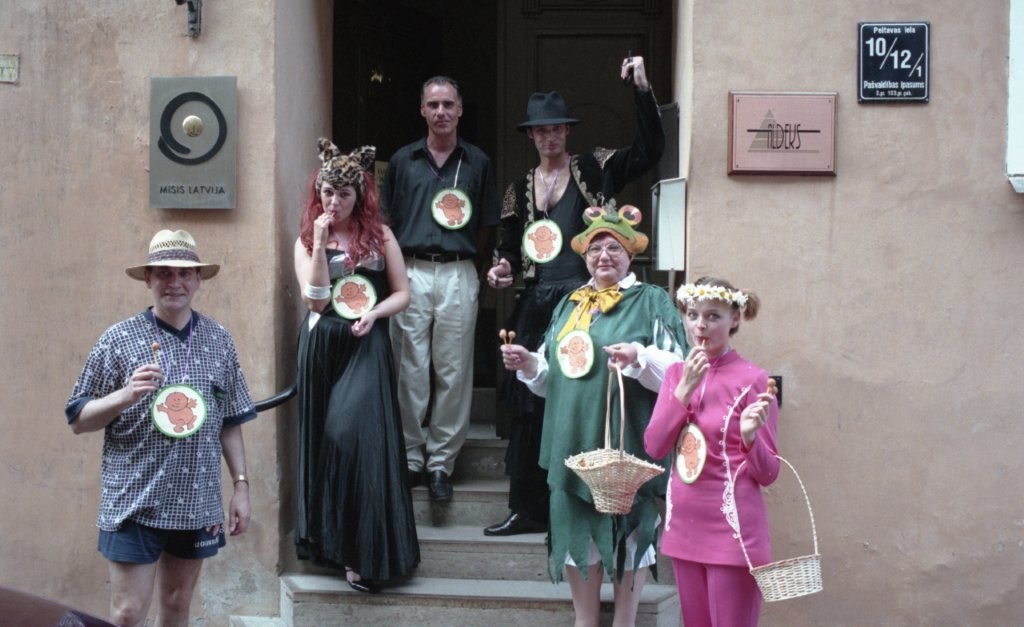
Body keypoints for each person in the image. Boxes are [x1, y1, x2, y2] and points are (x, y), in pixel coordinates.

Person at [484, 54, 665, 536]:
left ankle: (585, 501)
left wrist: (641, 88)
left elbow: (648, 150)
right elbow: (506, 248)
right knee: (528, 404)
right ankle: (527, 507)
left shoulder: (594, 167)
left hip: (588, 298)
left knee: (584, 397)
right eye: (541, 131)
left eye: (556, 129)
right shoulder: (518, 188)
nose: (549, 136)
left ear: (567, 131)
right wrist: (500, 269)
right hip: (537, 299)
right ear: (530, 136)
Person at [500, 206, 686, 627]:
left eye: (614, 247)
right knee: (575, 528)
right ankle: (585, 621)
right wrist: (528, 363)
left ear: (630, 254)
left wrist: (639, 356)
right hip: (572, 437)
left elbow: (678, 371)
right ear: (584, 257)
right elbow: (551, 377)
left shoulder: (651, 300)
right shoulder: (570, 304)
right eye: (595, 248)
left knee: (631, 529)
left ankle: (624, 621)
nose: (604, 255)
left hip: (627, 439)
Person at [65, 229, 256, 627]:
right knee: (128, 613)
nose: (175, 283)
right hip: (134, 499)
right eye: (164, 273)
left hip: (196, 500)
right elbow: (79, 419)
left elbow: (230, 420)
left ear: (198, 280)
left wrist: (240, 486)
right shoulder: (117, 339)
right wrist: (125, 395)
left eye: (185, 273)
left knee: (176, 606)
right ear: (148, 279)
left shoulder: (219, 340)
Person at [292, 139, 420, 593]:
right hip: (324, 342)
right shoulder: (306, 240)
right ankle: (336, 546)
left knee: (355, 435)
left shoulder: (381, 235)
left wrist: (375, 314)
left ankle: (367, 554)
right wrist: (320, 242)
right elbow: (316, 301)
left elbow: (402, 293)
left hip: (366, 340)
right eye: (328, 192)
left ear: (359, 195)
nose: (334, 201)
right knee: (327, 440)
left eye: (344, 193)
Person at [381, 75, 500, 502]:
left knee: (453, 369)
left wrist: (469, 264)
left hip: (457, 270)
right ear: (422, 110)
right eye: (433, 105)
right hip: (411, 269)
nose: (441, 112)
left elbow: (486, 224)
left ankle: (441, 463)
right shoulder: (403, 161)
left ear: (460, 109)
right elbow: (386, 223)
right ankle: (411, 456)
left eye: (448, 104)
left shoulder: (477, 162)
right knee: (409, 367)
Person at [643, 276, 780, 627]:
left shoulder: (754, 379)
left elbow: (768, 473)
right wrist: (683, 390)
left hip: (733, 532)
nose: (700, 325)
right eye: (693, 315)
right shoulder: (676, 374)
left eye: (713, 316)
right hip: (684, 526)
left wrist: (749, 438)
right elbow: (655, 446)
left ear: (735, 319)